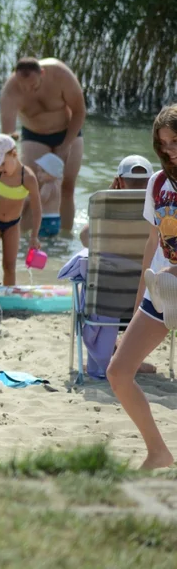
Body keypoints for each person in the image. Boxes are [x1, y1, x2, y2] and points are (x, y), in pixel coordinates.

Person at [106, 106, 177, 470]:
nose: (169, 150)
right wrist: (138, 305)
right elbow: (153, 241)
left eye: (175, 142)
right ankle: (158, 452)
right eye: (163, 144)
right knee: (118, 373)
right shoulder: (157, 183)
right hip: (163, 286)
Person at [0, 57, 86, 234]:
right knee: (31, 188)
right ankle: (23, 239)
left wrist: (65, 145)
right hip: (34, 135)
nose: (28, 91)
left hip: (68, 131)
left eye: (33, 86)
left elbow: (79, 110)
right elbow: (7, 135)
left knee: (67, 186)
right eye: (24, 87)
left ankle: (64, 238)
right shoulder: (10, 91)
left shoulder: (60, 74)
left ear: (42, 74)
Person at [0, 134, 42, 289]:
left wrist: (34, 236)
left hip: (13, 224)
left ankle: (9, 298)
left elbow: (37, 209)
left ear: (14, 154)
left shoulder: (28, 178)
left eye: (2, 163)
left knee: (9, 265)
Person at [80, 155, 154, 247]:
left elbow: (85, 238)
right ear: (152, 181)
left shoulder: (111, 210)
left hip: (114, 260)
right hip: (150, 260)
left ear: (119, 182)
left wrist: (108, 198)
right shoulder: (159, 207)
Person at [34, 153, 64, 238]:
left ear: (52, 172)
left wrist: (32, 198)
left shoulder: (48, 185)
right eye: (38, 171)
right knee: (52, 240)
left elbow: (43, 199)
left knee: (41, 240)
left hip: (45, 219)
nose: (39, 174)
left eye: (43, 171)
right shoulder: (58, 184)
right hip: (56, 219)